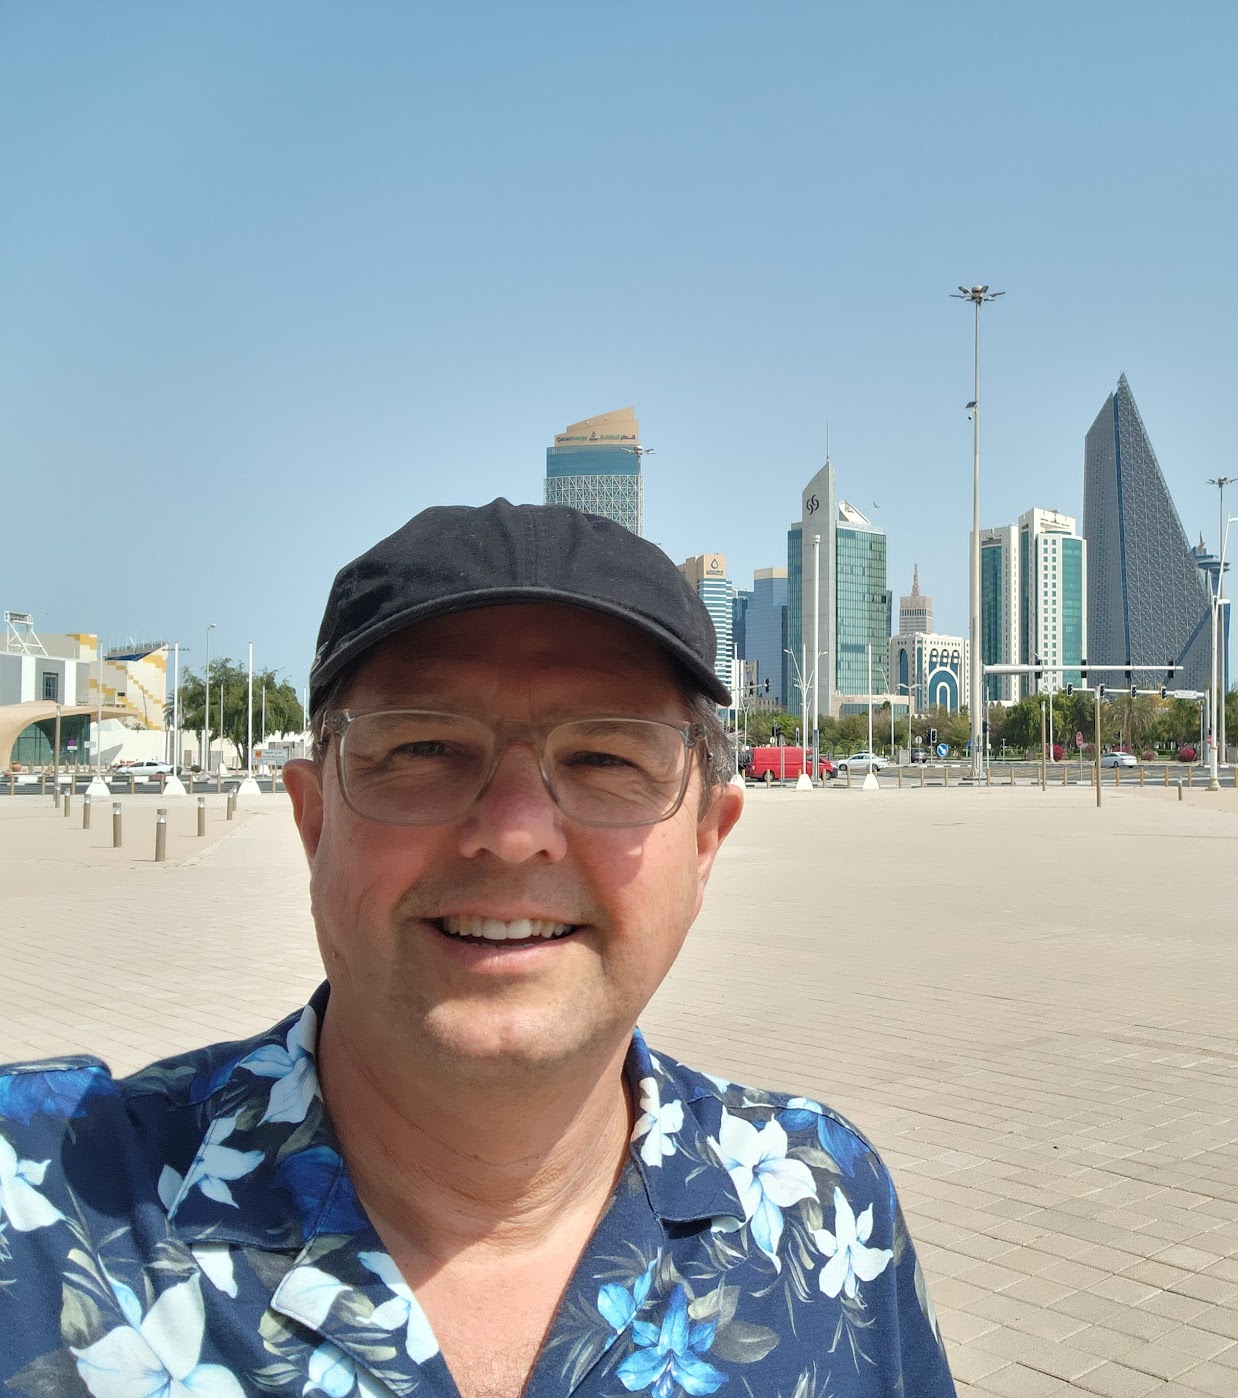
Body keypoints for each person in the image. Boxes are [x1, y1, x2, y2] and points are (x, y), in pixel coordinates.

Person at [0, 500, 954, 1398]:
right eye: (422, 747)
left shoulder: (821, 1211)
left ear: (707, 842)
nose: (512, 830)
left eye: (605, 758)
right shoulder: (53, 1210)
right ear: (312, 819)